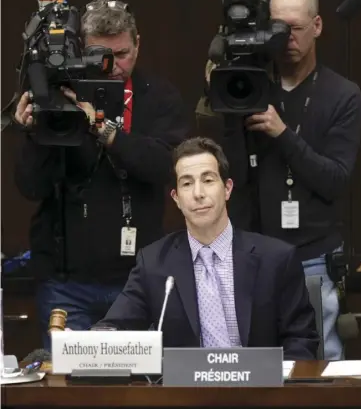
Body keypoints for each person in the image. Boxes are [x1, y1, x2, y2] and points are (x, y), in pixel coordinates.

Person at [14, 0, 188, 350]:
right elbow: (30, 186)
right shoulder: (58, 96)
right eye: (98, 55)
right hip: (67, 283)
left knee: (138, 393)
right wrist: (34, 132)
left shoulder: (160, 97)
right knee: (67, 394)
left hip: (136, 279)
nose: (112, 66)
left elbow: (165, 166)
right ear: (80, 50)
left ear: (138, 46)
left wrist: (103, 129)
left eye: (122, 54)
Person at [219, 0, 361, 360]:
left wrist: (282, 134)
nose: (286, 39)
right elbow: (230, 174)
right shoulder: (248, 86)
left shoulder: (342, 94)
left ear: (317, 26)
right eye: (277, 28)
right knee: (258, 368)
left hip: (314, 256)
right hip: (256, 255)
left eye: (295, 28)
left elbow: (334, 179)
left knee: (319, 364)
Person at [93, 137, 319, 360]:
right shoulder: (154, 263)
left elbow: (301, 340)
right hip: (186, 393)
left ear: (227, 189)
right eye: (187, 183)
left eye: (208, 180)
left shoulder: (276, 259)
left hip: (259, 391)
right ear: (177, 198)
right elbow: (116, 328)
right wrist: (84, 343)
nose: (198, 193)